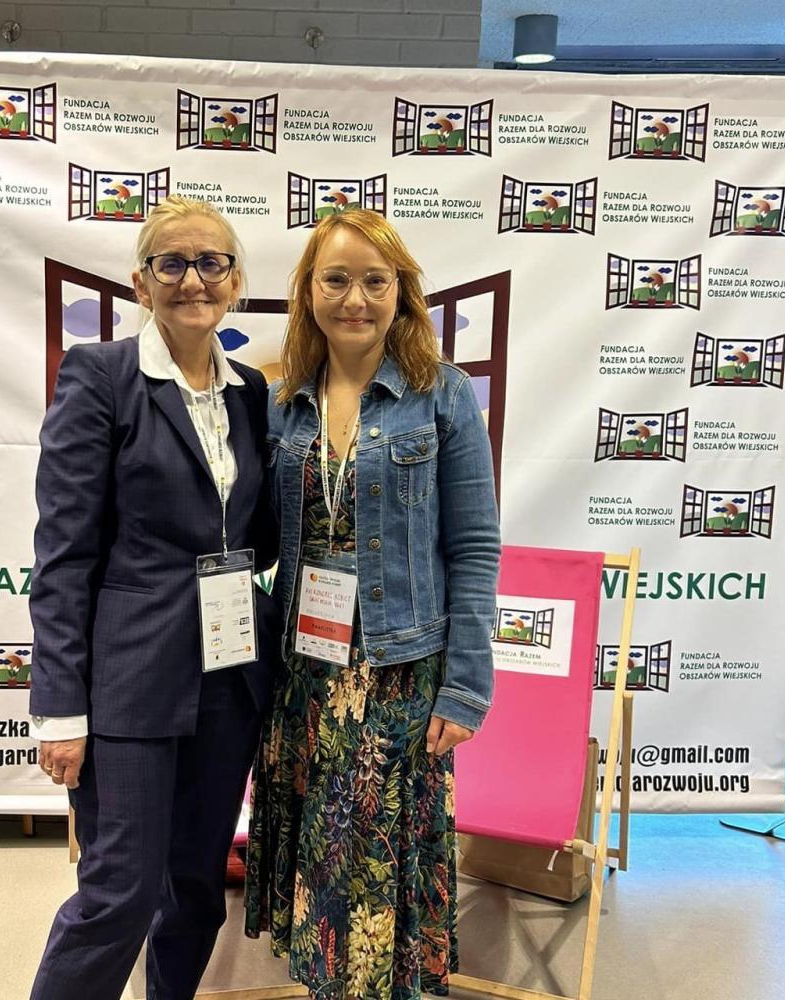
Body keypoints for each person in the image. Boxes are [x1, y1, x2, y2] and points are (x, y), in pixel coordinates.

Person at [244, 210, 501, 998]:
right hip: (306, 671)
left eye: (374, 281)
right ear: (308, 291)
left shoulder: (441, 394)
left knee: (377, 861)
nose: (354, 298)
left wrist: (466, 687)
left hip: (398, 672)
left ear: (401, 292)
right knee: (323, 862)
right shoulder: (281, 399)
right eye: (336, 279)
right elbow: (253, 534)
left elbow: (475, 547)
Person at [28, 196, 279, 1000]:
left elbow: (259, 536)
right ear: (141, 282)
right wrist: (59, 707)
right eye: (171, 263)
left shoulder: (250, 393)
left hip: (229, 678)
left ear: (234, 281)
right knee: (120, 893)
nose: (192, 280)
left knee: (197, 888)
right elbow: (63, 556)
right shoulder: (101, 377)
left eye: (210, 263)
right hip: (131, 680)